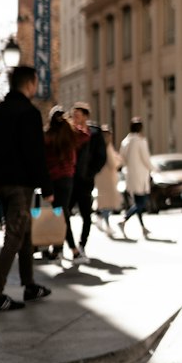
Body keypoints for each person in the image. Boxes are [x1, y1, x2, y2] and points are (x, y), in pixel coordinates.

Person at [0, 65, 52, 311]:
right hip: (20, 184)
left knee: (25, 232)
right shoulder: (29, 114)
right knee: (14, 236)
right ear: (30, 83)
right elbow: (36, 155)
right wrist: (47, 185)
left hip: (0, 182)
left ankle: (30, 284)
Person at [44, 107, 88, 262]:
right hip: (66, 178)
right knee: (62, 215)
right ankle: (72, 250)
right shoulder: (70, 134)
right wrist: (73, 124)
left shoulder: (47, 136)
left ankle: (58, 249)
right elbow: (85, 135)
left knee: (59, 214)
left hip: (52, 180)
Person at [70, 103, 107, 255]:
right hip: (69, 180)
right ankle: (63, 244)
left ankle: (82, 244)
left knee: (86, 215)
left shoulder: (95, 134)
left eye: (78, 116)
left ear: (85, 116)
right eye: (73, 116)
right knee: (63, 213)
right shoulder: (68, 132)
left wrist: (90, 173)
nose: (75, 119)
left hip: (85, 182)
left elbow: (101, 157)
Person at [118, 118, 153, 237]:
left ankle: (142, 227)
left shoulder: (125, 141)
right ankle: (124, 219)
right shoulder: (140, 141)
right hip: (140, 176)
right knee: (141, 203)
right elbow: (146, 158)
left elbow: (122, 158)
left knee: (138, 202)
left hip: (130, 176)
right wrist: (152, 168)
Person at [94, 127, 123, 232]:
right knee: (107, 203)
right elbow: (113, 163)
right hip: (108, 178)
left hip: (101, 178)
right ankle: (106, 223)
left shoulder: (99, 146)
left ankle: (101, 219)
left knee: (104, 201)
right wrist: (118, 161)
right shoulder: (106, 147)